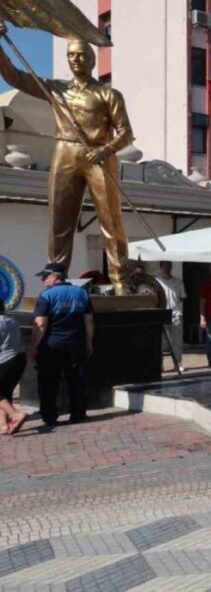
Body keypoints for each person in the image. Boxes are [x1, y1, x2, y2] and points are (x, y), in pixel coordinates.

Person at [0, 23, 135, 295]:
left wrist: (106, 150)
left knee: (111, 222)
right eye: (71, 55)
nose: (76, 59)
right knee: (60, 221)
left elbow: (126, 133)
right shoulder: (56, 89)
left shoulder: (108, 94)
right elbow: (13, 76)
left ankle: (120, 281)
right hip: (65, 153)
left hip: (99, 156)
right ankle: (56, 276)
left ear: (92, 60)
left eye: (82, 55)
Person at [27, 262, 94, 426]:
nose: (43, 281)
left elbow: (41, 324)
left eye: (45, 277)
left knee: (48, 381)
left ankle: (50, 416)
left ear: (55, 277)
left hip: (52, 345)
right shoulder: (82, 293)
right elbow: (89, 322)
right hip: (76, 343)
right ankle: (77, 414)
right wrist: (89, 344)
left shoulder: (46, 295)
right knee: (76, 380)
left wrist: (33, 347)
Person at [0, 299, 28, 435]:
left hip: (5, 360)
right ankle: (4, 425)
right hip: (19, 358)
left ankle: (15, 414)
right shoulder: (12, 320)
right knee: (4, 393)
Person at [156, 261, 186, 368]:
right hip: (161, 314)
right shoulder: (157, 282)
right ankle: (160, 365)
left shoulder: (178, 281)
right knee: (161, 341)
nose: (167, 268)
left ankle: (177, 363)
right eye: (165, 266)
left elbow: (183, 297)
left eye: (169, 266)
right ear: (161, 267)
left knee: (177, 341)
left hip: (176, 313)